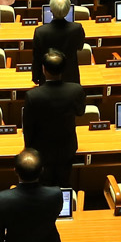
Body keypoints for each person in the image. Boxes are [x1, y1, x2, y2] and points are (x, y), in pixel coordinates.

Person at [24, 49, 88, 186]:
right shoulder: (76, 90)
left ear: (43, 69)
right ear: (64, 69)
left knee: (44, 187)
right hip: (67, 148)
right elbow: (80, 112)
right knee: (64, 184)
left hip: (41, 150)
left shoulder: (33, 95)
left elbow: (28, 126)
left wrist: (28, 149)